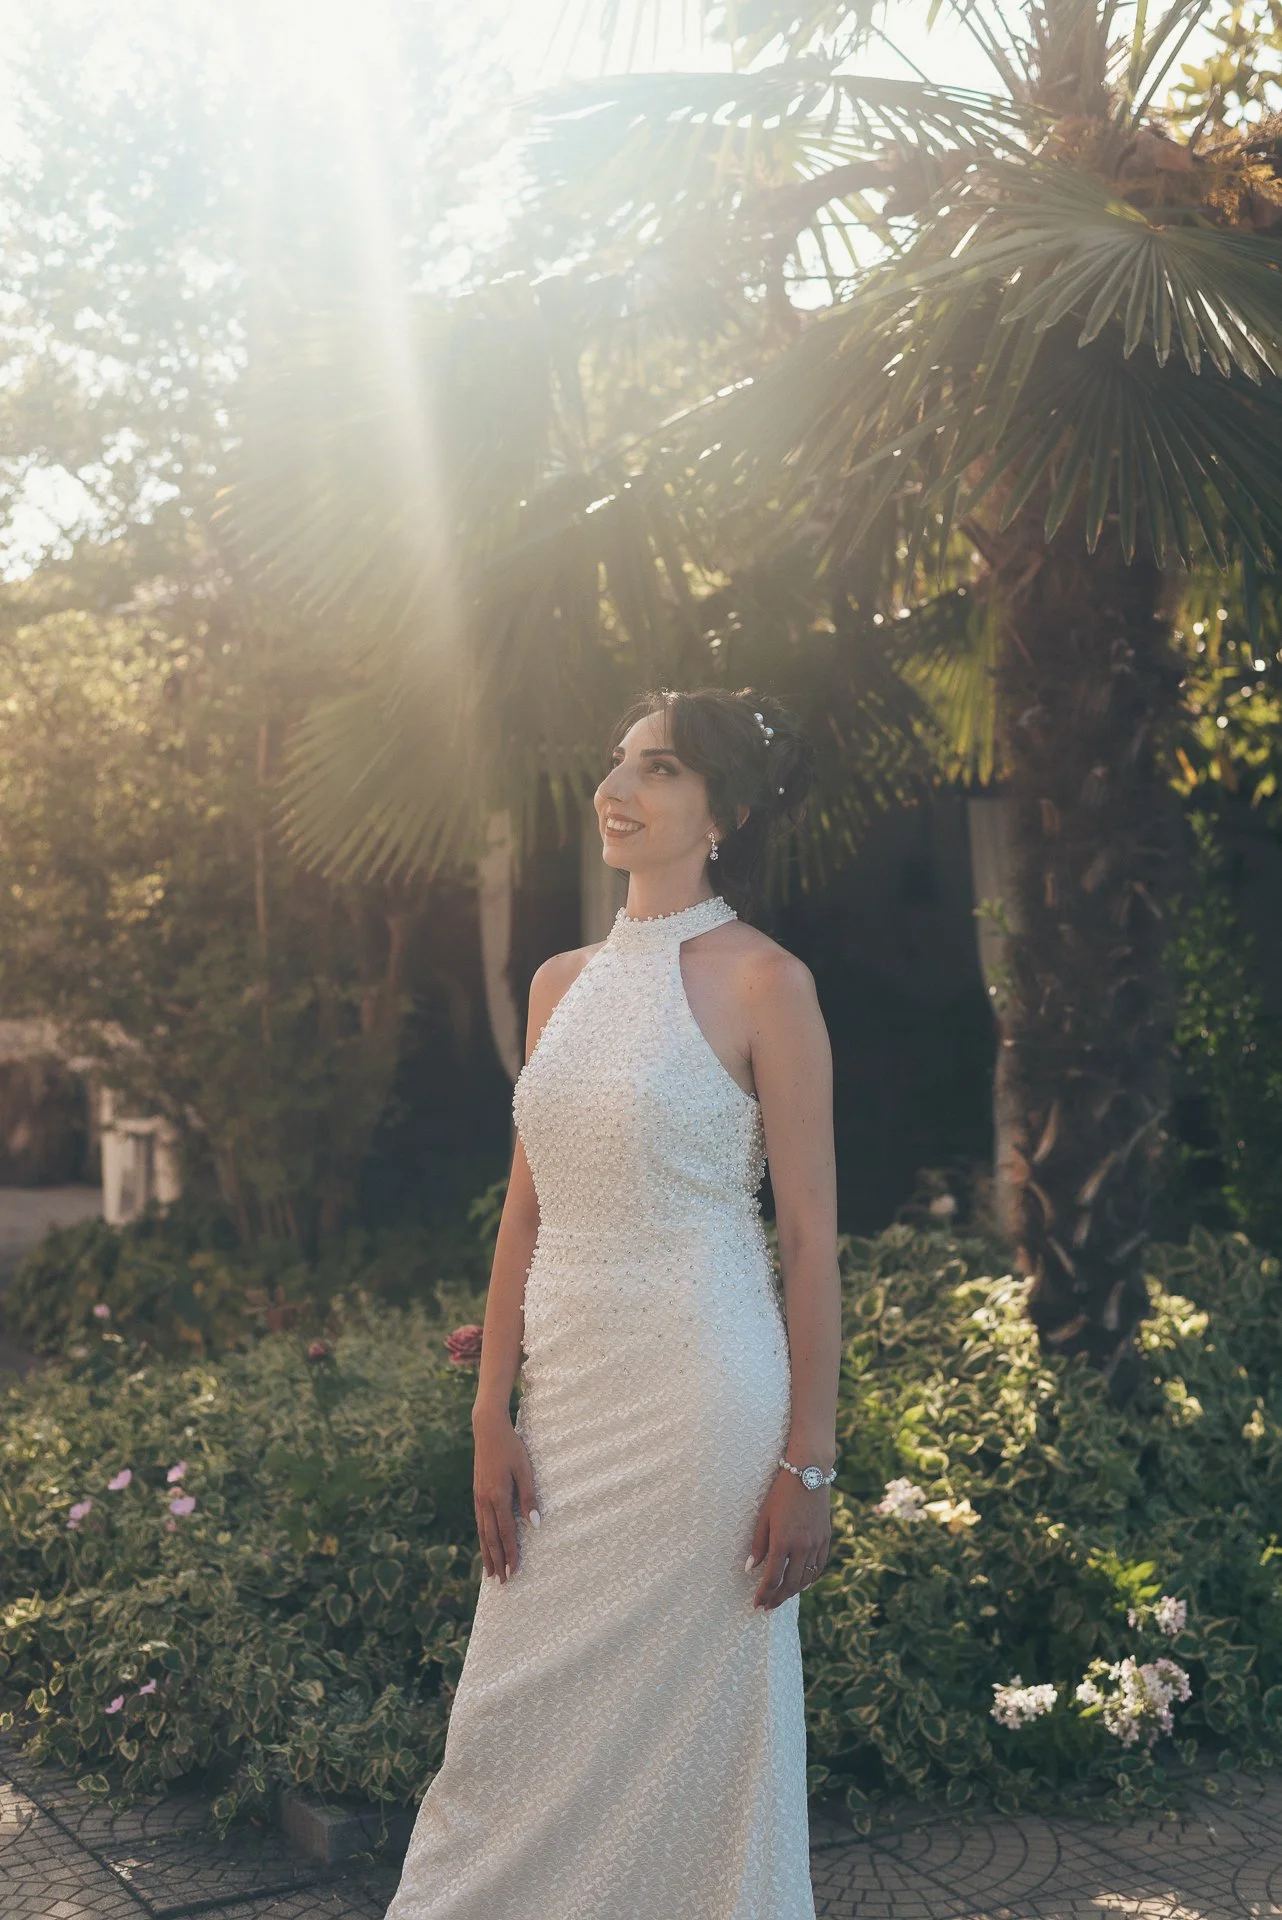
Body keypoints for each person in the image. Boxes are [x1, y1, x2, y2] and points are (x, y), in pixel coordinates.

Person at [383, 686, 842, 1919]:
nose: (619, 789)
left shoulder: (767, 984)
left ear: (722, 811)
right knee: (507, 1723)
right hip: (570, 1404)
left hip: (704, 1407)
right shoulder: (557, 983)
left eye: (661, 767)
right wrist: (492, 1409)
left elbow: (807, 1243)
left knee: (698, 1733)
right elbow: (524, 1212)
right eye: (617, 760)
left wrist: (809, 1463)